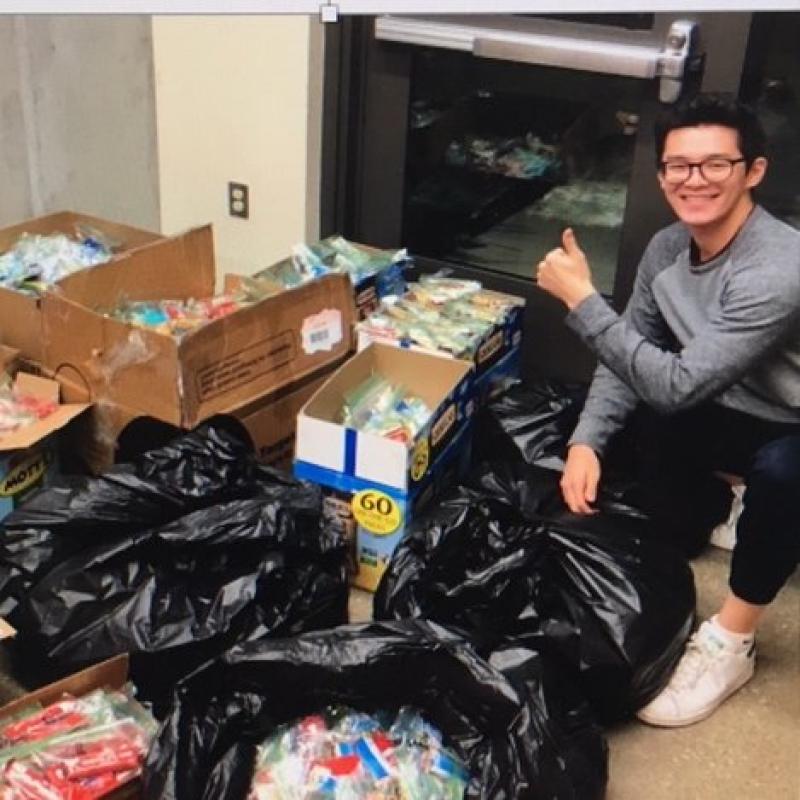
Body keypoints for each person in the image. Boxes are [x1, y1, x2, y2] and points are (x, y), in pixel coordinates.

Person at [535, 92, 800, 727]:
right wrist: (585, 442)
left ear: (753, 171)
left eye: (715, 165)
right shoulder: (666, 249)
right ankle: (731, 504)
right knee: (631, 419)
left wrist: (581, 300)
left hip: (793, 423)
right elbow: (633, 353)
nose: (694, 181)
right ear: (661, 176)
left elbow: (675, 384)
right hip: (731, 401)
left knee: (787, 474)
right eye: (678, 167)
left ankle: (734, 640)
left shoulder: (779, 265)